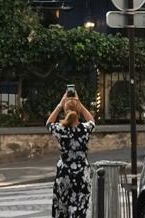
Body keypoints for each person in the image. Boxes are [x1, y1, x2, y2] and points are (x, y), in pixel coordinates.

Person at [47, 90, 96, 218]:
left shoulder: (60, 129)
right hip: (81, 174)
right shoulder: (85, 129)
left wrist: (60, 104)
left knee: (62, 210)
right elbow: (92, 121)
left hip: (64, 174)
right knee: (80, 210)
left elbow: (49, 123)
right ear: (78, 112)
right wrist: (80, 104)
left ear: (65, 110)